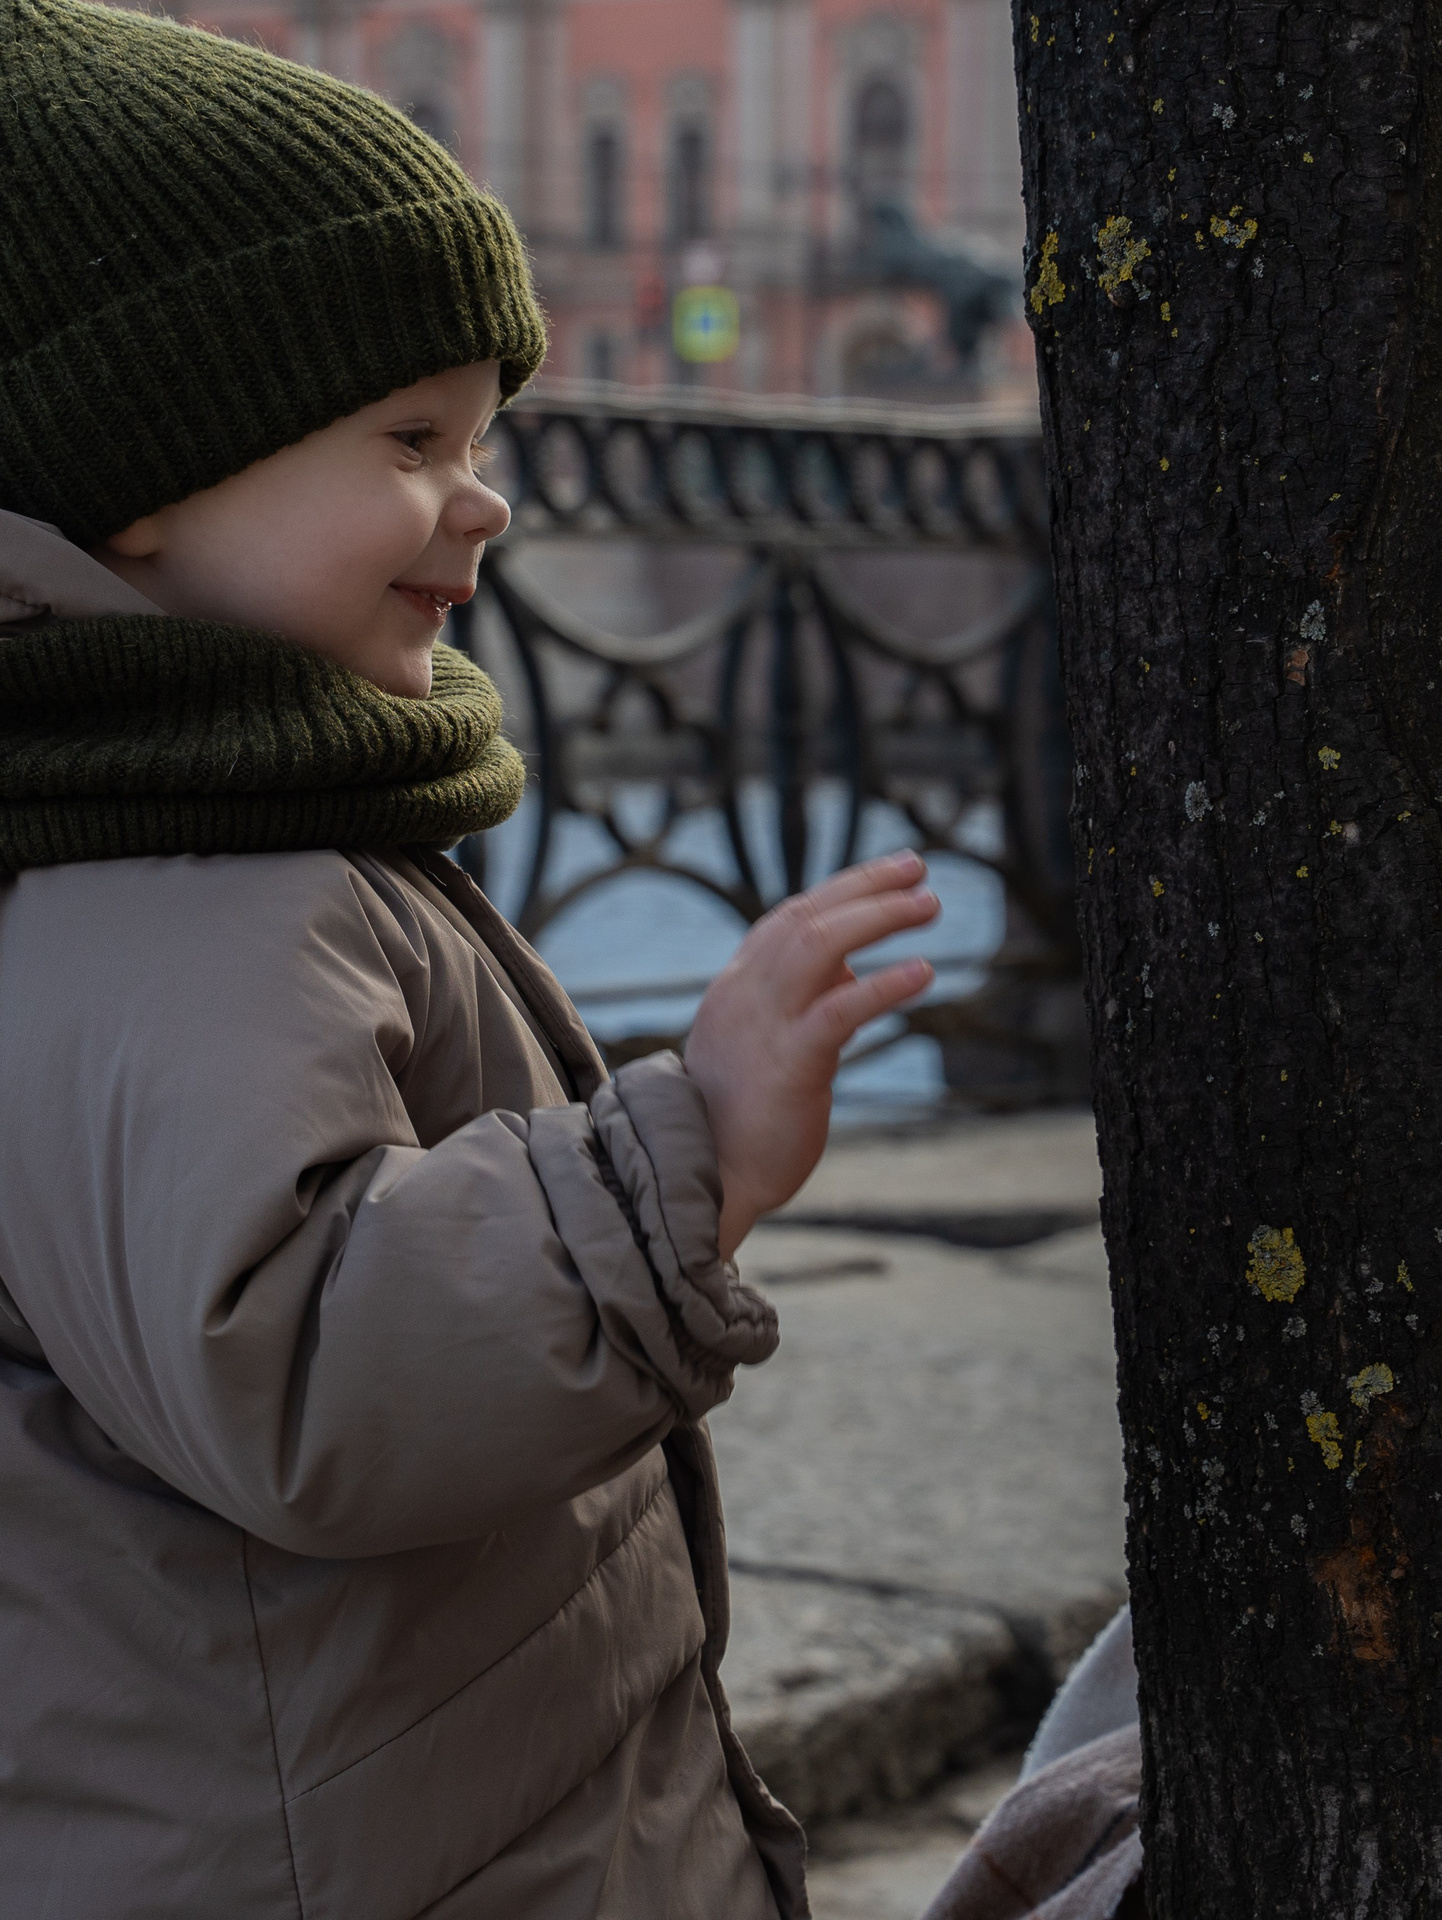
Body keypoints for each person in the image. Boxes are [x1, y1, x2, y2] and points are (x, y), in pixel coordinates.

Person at [0, 5, 935, 1911]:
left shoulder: (180, 811)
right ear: (144, 480)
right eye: (412, 438)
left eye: (485, 434)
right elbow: (295, 1368)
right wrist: (692, 1150)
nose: (487, 495)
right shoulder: (165, 875)